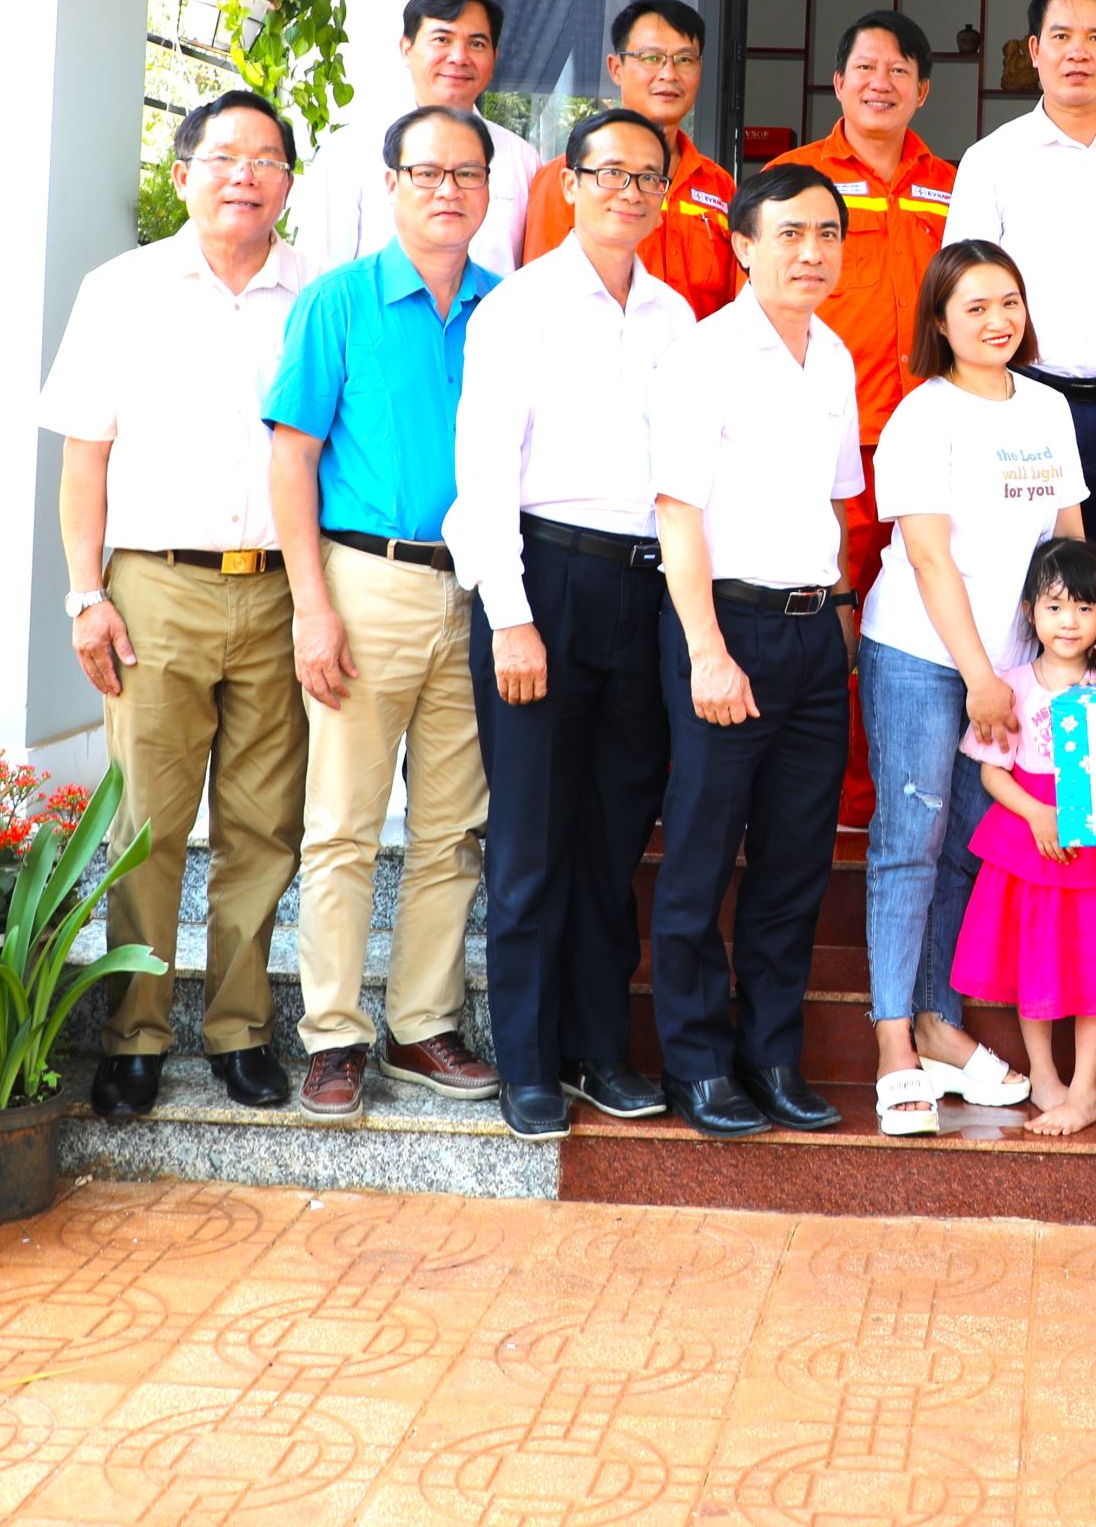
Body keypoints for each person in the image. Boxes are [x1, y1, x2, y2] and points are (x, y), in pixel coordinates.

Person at [40, 89, 312, 1120]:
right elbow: (85, 456)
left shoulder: (319, 294)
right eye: (225, 156)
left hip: (281, 587)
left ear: (288, 182)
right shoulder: (124, 289)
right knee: (148, 824)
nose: (246, 174)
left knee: (264, 823)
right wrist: (86, 595)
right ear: (184, 171)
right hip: (155, 584)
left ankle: (240, 1030)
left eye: (267, 158)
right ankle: (136, 1035)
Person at [446, 106, 696, 1141]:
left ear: (666, 196)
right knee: (531, 839)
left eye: (647, 177)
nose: (629, 192)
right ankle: (528, 1062)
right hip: (543, 582)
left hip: (644, 592)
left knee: (612, 837)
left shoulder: (675, 315)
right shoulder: (522, 306)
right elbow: (483, 471)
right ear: (570, 183)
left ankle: (598, 1049)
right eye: (610, 173)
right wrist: (509, 616)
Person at [263, 103, 506, 1120]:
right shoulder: (339, 301)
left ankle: (421, 1025)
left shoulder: (509, 308)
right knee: (343, 826)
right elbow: (292, 458)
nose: (448, 189)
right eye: (427, 173)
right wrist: (310, 608)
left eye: (466, 173)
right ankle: (332, 1033)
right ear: (392, 184)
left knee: (454, 830)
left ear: (490, 188)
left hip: (483, 590)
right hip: (368, 583)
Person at [645, 163, 869, 1140]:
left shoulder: (835, 355)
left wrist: (840, 620)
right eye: (789, 234)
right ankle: (697, 1067)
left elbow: (834, 504)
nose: (810, 253)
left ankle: (771, 1057)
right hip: (724, 627)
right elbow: (676, 513)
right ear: (742, 245)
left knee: (794, 860)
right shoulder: (704, 355)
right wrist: (706, 652)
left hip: (813, 635)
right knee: (701, 856)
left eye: (827, 234)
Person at [856, 240, 1094, 1135]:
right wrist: (978, 677)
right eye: (975, 308)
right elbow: (927, 556)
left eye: (1009, 303)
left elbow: (1066, 539)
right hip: (923, 657)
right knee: (908, 843)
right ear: (940, 322)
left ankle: (937, 1022)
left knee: (966, 842)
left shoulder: (1048, 406)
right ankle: (892, 1041)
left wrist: (1083, 641)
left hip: (1014, 666)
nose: (997, 321)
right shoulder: (923, 414)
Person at [942, 0, 1096, 650]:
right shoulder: (992, 159)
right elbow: (963, 290)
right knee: (1029, 581)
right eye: (1061, 36)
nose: (1078, 51)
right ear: (1035, 49)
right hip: (1025, 402)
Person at [772, 8, 958, 831]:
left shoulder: (956, 183)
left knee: (921, 616)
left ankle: (903, 792)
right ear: (838, 83)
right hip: (827, 445)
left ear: (923, 90)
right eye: (865, 69)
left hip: (931, 447)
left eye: (899, 71)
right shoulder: (793, 180)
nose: (881, 84)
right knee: (828, 617)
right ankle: (838, 796)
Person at [951, 537, 1096, 1136]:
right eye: (1054, 607)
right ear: (1030, 612)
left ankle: (1086, 1089)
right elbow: (992, 771)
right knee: (1037, 960)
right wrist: (1037, 815)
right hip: (1030, 838)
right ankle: (1045, 1075)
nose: (1068, 621)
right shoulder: (1011, 685)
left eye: (1083, 607)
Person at [294, 0, 538, 283]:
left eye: (476, 44)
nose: (459, 57)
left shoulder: (522, 159)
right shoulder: (349, 151)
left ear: (494, 57)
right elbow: (319, 274)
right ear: (406, 49)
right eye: (442, 39)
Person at [521, 0, 741, 317]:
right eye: (652, 58)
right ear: (616, 68)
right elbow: (541, 289)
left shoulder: (719, 186)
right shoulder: (572, 177)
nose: (669, 74)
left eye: (684, 60)